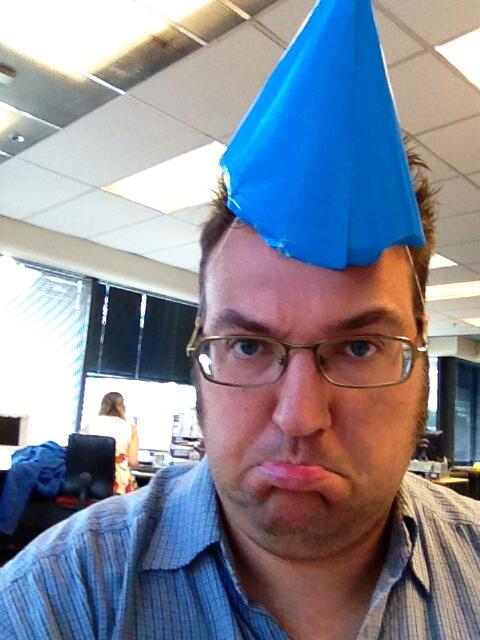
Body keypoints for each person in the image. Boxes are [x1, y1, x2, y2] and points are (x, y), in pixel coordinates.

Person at [1, 2, 479, 638]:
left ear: (419, 356)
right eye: (249, 345)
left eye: (360, 346)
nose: (300, 416)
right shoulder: (57, 600)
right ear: (202, 349)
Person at [82, 392, 139, 494]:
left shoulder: (90, 424)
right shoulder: (131, 428)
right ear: (122, 407)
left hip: (90, 478)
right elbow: (133, 462)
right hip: (117, 482)